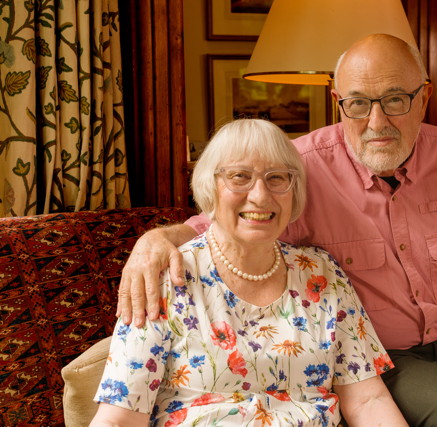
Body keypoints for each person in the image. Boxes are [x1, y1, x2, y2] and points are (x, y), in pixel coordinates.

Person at [116, 34, 437, 426]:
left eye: (395, 100)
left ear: (424, 96)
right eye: (358, 104)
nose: (376, 122)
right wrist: (154, 240)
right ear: (338, 101)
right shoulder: (299, 169)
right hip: (377, 358)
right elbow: (226, 221)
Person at [91, 119, 408, 426]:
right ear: (210, 187)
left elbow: (368, 401)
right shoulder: (166, 277)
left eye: (276, 178)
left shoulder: (321, 273)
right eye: (240, 177)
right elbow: (119, 418)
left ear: (294, 190)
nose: (260, 195)